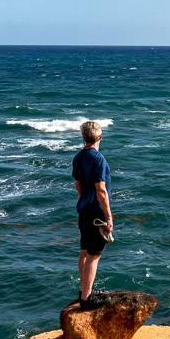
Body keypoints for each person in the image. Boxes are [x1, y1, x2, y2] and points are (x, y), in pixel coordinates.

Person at [72, 120, 113, 310]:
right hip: (96, 212)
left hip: (83, 210)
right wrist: (109, 216)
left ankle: (83, 290)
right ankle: (87, 298)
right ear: (100, 137)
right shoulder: (99, 160)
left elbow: (78, 184)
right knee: (94, 255)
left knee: (84, 251)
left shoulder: (78, 157)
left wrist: (83, 200)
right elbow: (101, 190)